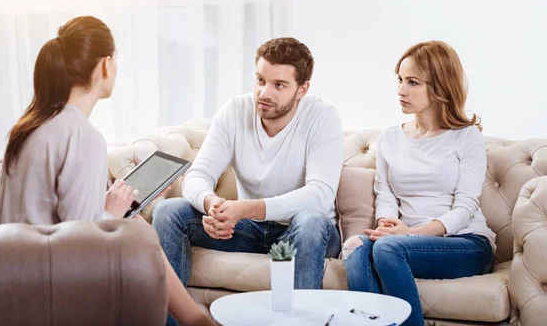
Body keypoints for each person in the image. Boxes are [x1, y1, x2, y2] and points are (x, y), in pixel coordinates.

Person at [0, 16, 215, 326]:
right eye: (115, 60)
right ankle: (197, 321)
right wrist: (114, 214)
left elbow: (50, 216)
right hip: (40, 282)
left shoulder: (29, 127)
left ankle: (194, 320)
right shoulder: (82, 136)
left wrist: (107, 206)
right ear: (105, 65)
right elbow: (78, 244)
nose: (116, 68)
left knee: (136, 231)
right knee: (140, 236)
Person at [152, 37, 344, 306]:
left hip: (303, 232)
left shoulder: (322, 117)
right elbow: (197, 176)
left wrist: (245, 209)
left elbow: (320, 195)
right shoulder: (235, 110)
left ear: (302, 89)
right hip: (249, 230)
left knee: (310, 221)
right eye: (260, 80)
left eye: (279, 85)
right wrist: (213, 205)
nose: (265, 93)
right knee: (168, 212)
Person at [342, 41, 496, 326]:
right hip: (403, 241)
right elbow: (384, 193)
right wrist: (388, 224)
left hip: (466, 243)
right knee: (354, 245)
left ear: (439, 86)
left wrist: (410, 234)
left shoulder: (467, 136)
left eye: (412, 82)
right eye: (400, 80)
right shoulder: (389, 137)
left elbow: (465, 207)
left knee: (388, 250)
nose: (401, 90)